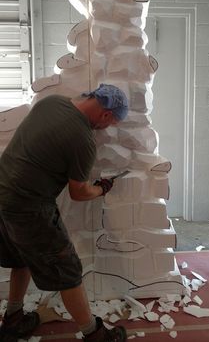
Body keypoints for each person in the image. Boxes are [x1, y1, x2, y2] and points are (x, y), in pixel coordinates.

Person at [0, 83, 128, 342]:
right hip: (28, 207)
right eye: (111, 122)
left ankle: (13, 319)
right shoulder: (82, 139)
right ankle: (95, 335)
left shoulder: (50, 102)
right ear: (105, 115)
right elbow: (78, 193)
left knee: (20, 259)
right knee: (67, 270)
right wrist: (101, 189)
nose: (107, 128)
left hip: (2, 193)